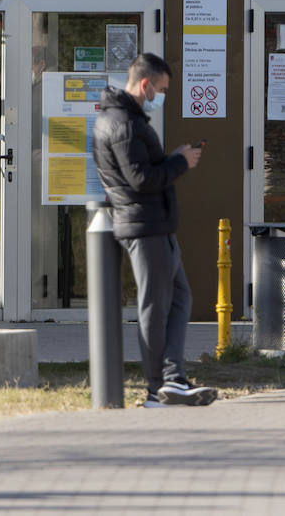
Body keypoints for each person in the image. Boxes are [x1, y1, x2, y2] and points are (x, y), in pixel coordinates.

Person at [93, 53, 214, 408]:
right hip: (144, 226)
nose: (161, 96)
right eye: (160, 89)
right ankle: (157, 387)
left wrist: (170, 157)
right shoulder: (125, 124)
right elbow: (141, 180)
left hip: (154, 225)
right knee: (155, 307)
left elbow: (141, 169)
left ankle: (172, 378)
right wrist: (180, 163)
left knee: (178, 299)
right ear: (144, 84)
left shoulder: (124, 120)